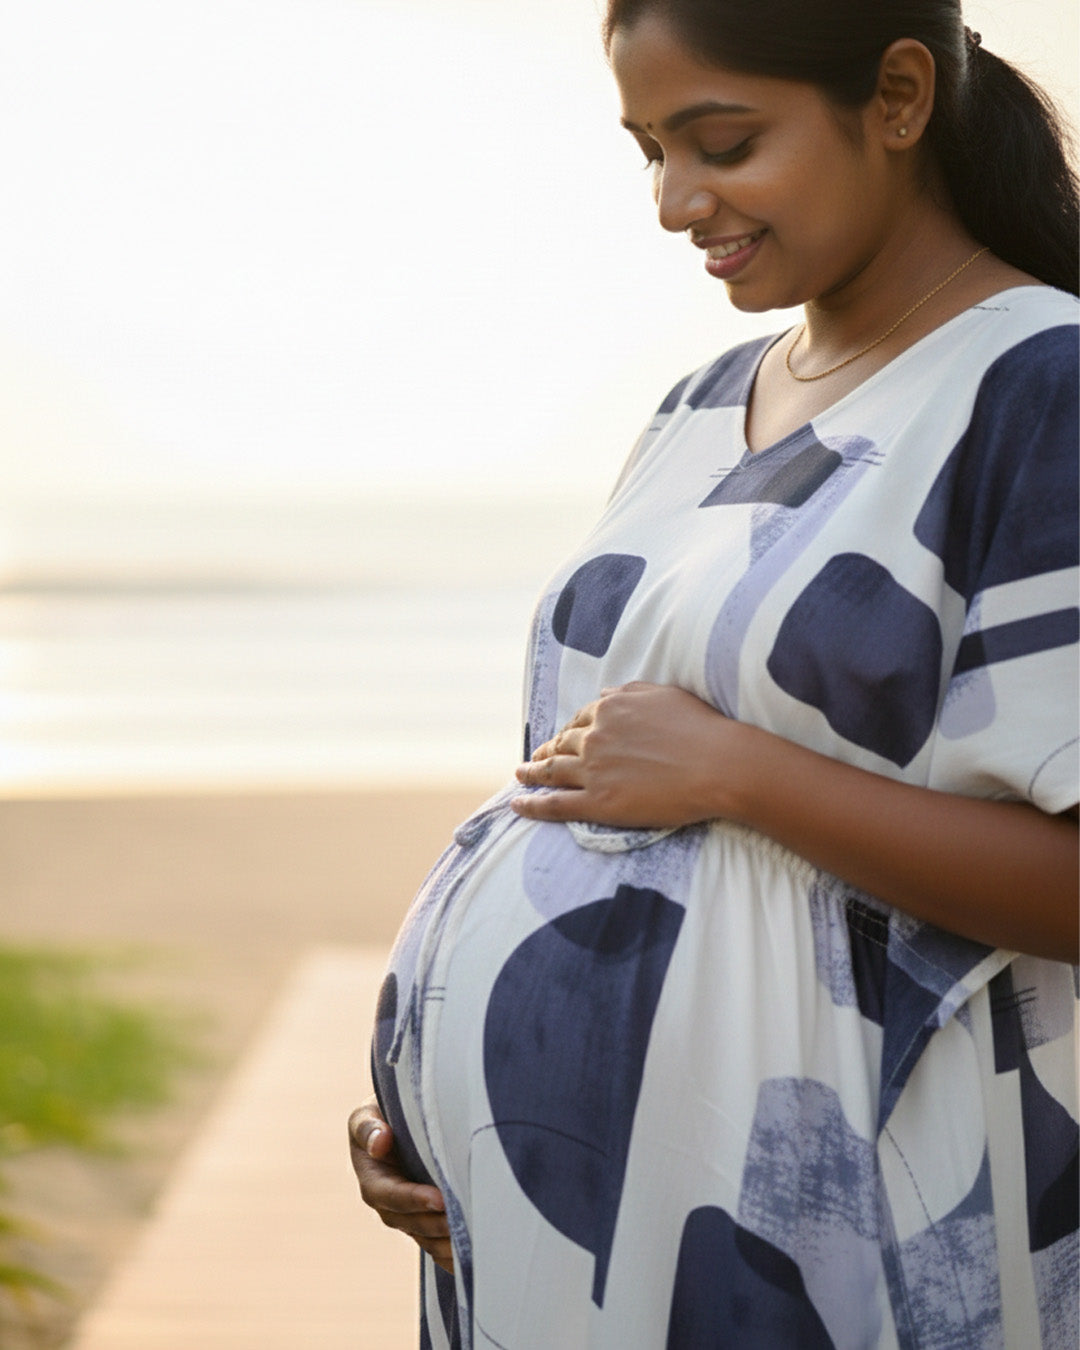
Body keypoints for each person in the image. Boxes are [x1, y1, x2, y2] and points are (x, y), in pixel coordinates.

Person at [351, 1, 1079, 1344]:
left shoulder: (1040, 384)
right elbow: (586, 782)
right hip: (570, 1231)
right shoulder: (695, 406)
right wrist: (449, 1116)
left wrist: (742, 775)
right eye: (647, 152)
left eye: (723, 142)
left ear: (902, 96)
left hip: (840, 1242)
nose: (677, 202)